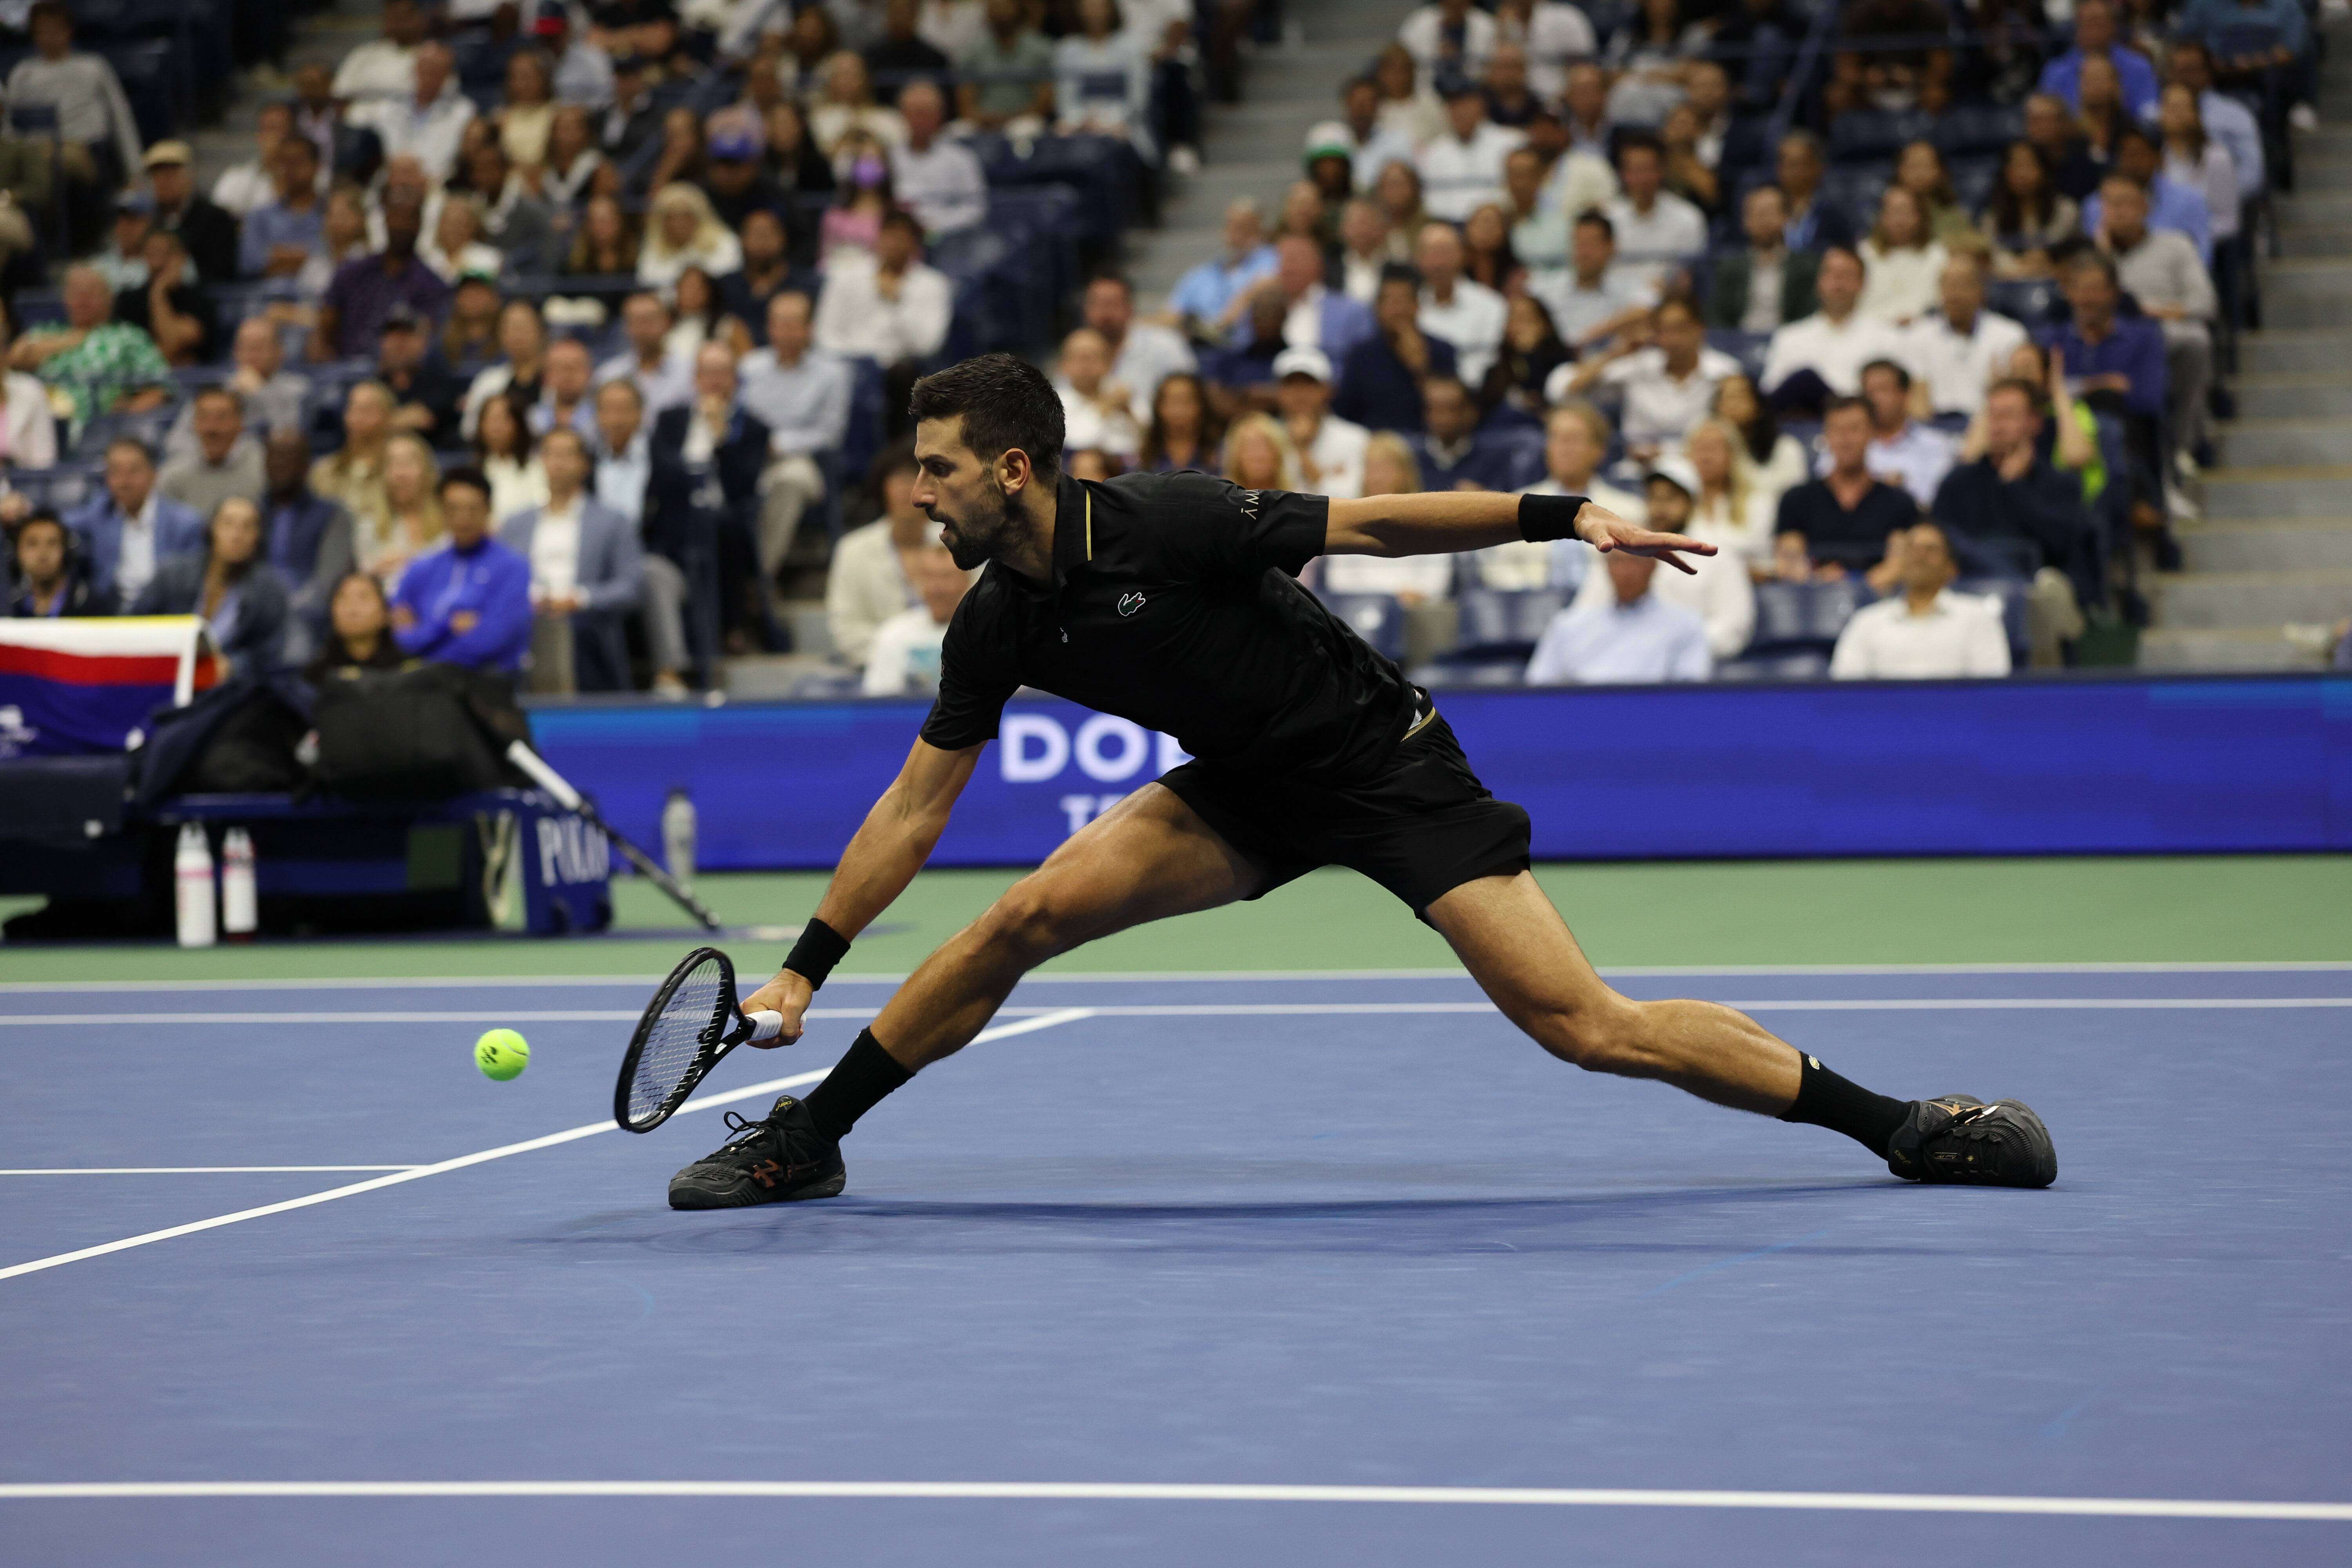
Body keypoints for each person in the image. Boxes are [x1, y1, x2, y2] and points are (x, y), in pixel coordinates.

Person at [666, 352, 2052, 1206]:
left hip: (1383, 766)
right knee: (1020, 918)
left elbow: (1378, 523)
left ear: (1012, 469)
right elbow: (916, 806)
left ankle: (1908, 1127)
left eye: (939, 471)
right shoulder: (999, 622)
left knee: (1582, 1024)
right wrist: (801, 968)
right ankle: (813, 1138)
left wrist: (1564, 516)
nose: (920, 495)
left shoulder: (1175, 518)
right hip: (1243, 789)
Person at [1931, 378, 2096, 662]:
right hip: (1967, 590)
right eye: (1992, 415)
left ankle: (2042, 693)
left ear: (2034, 423)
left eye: (2008, 415)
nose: (1997, 424)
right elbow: (1941, 539)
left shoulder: (2061, 484)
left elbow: (2061, 547)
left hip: (2035, 591)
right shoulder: (1957, 483)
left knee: (2047, 592)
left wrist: (2013, 488)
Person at [497, 426, 644, 695]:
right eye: (551, 454)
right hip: (526, 618)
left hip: (585, 622)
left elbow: (630, 586)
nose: (558, 462)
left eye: (567, 455)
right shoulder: (515, 524)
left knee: (567, 632)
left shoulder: (613, 521)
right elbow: (498, 581)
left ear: (585, 464)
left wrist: (580, 598)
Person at [1563, 457, 1754, 660]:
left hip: (1693, 674)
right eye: (1654, 497)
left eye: (1670, 498)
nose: (1660, 507)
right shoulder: (1621, 549)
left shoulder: (1719, 554)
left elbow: (1732, 630)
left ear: (1691, 503)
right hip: (1624, 667)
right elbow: (1583, 615)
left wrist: (1665, 648)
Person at [2094, 173, 2217, 468]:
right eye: (2112, 204)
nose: (2120, 212)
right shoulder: (2091, 252)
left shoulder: (2175, 245)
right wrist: (2101, 253)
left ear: (2146, 208)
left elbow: (2205, 303)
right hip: (2102, 335)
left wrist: (2151, 311)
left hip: (2161, 330)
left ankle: (2180, 446)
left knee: (2196, 340)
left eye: (2128, 203)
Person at [739, 293, 853, 596]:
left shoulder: (833, 373)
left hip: (806, 462)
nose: (787, 332)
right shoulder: (750, 368)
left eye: (794, 325)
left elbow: (831, 432)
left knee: (790, 481)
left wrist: (779, 445)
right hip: (753, 460)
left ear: (809, 329)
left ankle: (759, 577)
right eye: (780, 324)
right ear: (769, 328)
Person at [1550, 297, 1739, 457]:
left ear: (1699, 329)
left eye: (1680, 329)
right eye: (1664, 331)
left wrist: (1668, 452)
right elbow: (1562, 392)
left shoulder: (1724, 373)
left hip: (1697, 464)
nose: (1673, 339)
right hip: (1635, 468)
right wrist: (1614, 354)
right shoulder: (1639, 366)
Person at [387, 467, 532, 674]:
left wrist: (425, 640)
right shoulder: (421, 567)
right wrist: (447, 625)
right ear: (441, 511)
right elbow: (396, 636)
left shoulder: (513, 567)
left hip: (485, 682)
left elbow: (494, 638)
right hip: (421, 680)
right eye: (453, 509)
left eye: (473, 509)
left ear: (488, 510)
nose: (463, 519)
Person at [1830, 521, 2013, 678]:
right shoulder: (1866, 622)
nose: (1919, 556)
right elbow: (1845, 693)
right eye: (1911, 548)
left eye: (1931, 549)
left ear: (1951, 568)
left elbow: (1992, 691)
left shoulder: (1978, 618)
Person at [131, 498, 290, 677]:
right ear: (212, 529)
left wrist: (234, 667)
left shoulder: (269, 591)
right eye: (228, 524)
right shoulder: (174, 574)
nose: (237, 535)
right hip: (164, 672)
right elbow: (135, 622)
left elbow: (271, 652)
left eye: (248, 527)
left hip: (228, 689)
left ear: (258, 537)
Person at [10, 265, 171, 440]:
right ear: (65, 299)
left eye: (92, 293)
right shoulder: (46, 333)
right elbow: (13, 361)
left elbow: (162, 388)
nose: (83, 299)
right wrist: (69, 340)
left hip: (106, 430)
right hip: (45, 428)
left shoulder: (129, 337)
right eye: (76, 293)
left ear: (110, 298)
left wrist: (127, 413)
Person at [1775, 396, 1919, 584]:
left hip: (1882, 603)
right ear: (1826, 435)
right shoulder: (1797, 499)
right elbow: (1789, 562)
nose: (1846, 439)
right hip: (1815, 600)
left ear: (1872, 433)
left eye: (1854, 429)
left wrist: (1859, 586)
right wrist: (1817, 579)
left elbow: (1900, 563)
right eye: (1837, 430)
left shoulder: (1899, 502)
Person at [1758, 247, 1915, 412]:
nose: (1838, 283)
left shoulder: (1888, 337)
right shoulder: (1789, 337)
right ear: (1819, 281)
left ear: (1863, 284)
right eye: (1831, 274)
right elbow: (1771, 394)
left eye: (1847, 275)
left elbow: (1903, 398)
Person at [828, 444, 944, 667]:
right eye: (898, 480)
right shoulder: (852, 551)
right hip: (876, 673)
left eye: (914, 479)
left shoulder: (957, 544)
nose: (906, 490)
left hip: (953, 671)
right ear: (882, 488)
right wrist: (903, 658)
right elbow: (846, 630)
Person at [1526, 547, 1713, 684]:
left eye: (1636, 561)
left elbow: (1691, 697)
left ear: (1653, 566)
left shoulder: (1687, 625)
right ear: (1606, 567)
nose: (1626, 571)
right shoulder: (1568, 625)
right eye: (1618, 561)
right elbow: (1539, 687)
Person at [67, 439, 207, 607]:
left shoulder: (184, 523)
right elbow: (59, 524)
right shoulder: (101, 512)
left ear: (154, 474)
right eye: (115, 472)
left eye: (133, 471)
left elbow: (191, 587)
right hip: (111, 613)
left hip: (163, 614)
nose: (124, 482)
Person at [1318, 434, 1452, 604]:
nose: (1377, 476)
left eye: (1385, 468)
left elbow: (1437, 584)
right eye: (1371, 468)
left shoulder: (1430, 521)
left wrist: (1405, 599)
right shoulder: (1349, 520)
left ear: (1406, 474)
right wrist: (1381, 602)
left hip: (1416, 613)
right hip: (1361, 612)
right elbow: (1339, 582)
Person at [811, 211, 954, 371]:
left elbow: (927, 346)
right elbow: (825, 334)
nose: (894, 244)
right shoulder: (847, 275)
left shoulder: (934, 284)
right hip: (848, 364)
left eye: (901, 237)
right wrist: (860, 360)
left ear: (914, 243)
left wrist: (895, 303)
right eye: (889, 235)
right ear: (879, 237)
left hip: (901, 370)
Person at [313, 194, 450, 361]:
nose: (401, 226)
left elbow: (432, 338)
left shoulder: (432, 284)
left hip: (400, 372)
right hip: (346, 365)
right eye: (396, 219)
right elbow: (325, 325)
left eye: (408, 220)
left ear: (419, 226)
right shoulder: (353, 272)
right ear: (386, 221)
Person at [1903, 254, 2030, 421]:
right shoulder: (1919, 334)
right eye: (1948, 286)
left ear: (1981, 290)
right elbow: (1916, 400)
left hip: (1989, 423)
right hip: (1935, 424)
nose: (1954, 294)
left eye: (1963, 285)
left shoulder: (2009, 335)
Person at [1816, 358, 1955, 508]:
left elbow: (1941, 500)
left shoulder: (1935, 444)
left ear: (1905, 395)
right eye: (1869, 392)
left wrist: (1891, 494)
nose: (1875, 399)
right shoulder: (1845, 442)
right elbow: (1825, 494)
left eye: (1883, 390)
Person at [1334, 267, 1457, 435]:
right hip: (1376, 446)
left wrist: (1421, 368)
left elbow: (1451, 411)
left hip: (1428, 445)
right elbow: (1345, 413)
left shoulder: (1442, 351)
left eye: (1404, 301)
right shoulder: (1360, 356)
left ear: (1417, 307)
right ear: (1378, 309)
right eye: (1390, 302)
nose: (1398, 310)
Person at [260, 427, 354, 644]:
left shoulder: (334, 515)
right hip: (256, 615)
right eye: (274, 458)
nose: (280, 465)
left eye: (290, 458)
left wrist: (280, 614)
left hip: (308, 620)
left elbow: (327, 585)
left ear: (307, 465)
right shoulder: (252, 513)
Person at [1525, 211, 1654, 353]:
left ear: (1611, 247)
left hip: (1610, 364)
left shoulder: (1629, 285)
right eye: (1579, 244)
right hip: (1555, 362)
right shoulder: (1546, 288)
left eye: (1591, 244)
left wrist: (1588, 337)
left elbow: (1647, 310)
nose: (1584, 253)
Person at [1083, 274, 1196, 427]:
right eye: (1099, 304)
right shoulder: (1077, 350)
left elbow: (1191, 397)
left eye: (1113, 304)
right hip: (1093, 441)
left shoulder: (1167, 345)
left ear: (1130, 308)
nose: (1106, 314)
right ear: (1086, 310)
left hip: (1155, 439)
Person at [1602, 134, 1707, 296]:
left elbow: (1690, 277)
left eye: (1647, 169)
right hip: (1616, 303)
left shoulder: (1689, 218)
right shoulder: (1607, 218)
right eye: (1635, 171)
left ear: (1661, 171)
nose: (1642, 179)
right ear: (1623, 174)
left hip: (1666, 304)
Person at [1705, 185, 1819, 334]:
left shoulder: (1806, 267)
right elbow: (1717, 316)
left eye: (1770, 213)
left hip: (1789, 342)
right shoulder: (1729, 268)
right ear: (1745, 222)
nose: (1764, 221)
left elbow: (1809, 317)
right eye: (1757, 214)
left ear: (1786, 217)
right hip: (1738, 343)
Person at [861, 542, 971, 695]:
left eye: (947, 577)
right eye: (930, 577)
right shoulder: (893, 635)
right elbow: (880, 702)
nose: (937, 588)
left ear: (965, 581)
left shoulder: (989, 633)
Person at [1169, 200, 1281, 345]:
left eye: (1245, 226)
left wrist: (1219, 325)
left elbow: (1261, 289)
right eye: (1232, 226)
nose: (1237, 232)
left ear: (1260, 230)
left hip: (1247, 347)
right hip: (1198, 345)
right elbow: (1172, 313)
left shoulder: (1271, 259)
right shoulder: (1203, 273)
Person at [1414, 222, 1507, 386]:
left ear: (1461, 255)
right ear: (1418, 259)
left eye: (1445, 252)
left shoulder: (1491, 305)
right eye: (1430, 253)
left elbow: (1491, 359)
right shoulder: (1408, 307)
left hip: (1476, 394)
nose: (1438, 263)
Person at [1417, 83, 1525, 224]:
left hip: (1499, 226)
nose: (1461, 111)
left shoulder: (1512, 143)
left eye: (1467, 104)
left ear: (1481, 106)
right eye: (1454, 105)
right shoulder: (1433, 152)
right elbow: (1428, 203)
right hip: (1447, 228)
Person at [891, 80, 987, 238]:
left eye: (927, 112)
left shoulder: (962, 159)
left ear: (940, 115)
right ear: (903, 115)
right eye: (915, 112)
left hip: (950, 238)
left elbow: (976, 208)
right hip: (899, 238)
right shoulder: (888, 158)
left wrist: (934, 226)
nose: (920, 119)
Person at [1682, 417, 1776, 576]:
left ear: (1732, 455)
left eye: (1713, 449)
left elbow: (1761, 558)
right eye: (1700, 449)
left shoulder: (1758, 502)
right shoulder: (1676, 504)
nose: (1706, 457)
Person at [2036, 0, 2160, 121]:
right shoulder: (2056, 72)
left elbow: (2149, 116)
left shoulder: (2139, 66)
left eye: (2099, 23)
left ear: (2113, 26)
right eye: (2088, 23)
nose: (2094, 31)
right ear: (2077, 27)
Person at [1274, 348, 1371, 501]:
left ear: (1327, 390)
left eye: (1309, 385)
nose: (1300, 394)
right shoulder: (1263, 437)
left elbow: (1357, 498)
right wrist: (1329, 477)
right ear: (1278, 392)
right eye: (1291, 385)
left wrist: (1302, 451)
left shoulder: (1356, 439)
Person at [159, 390, 268, 521]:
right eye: (204, 418)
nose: (212, 428)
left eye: (222, 417)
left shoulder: (264, 468)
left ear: (240, 423)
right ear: (194, 424)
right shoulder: (173, 473)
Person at [145, 141, 241, 287]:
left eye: (170, 174)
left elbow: (221, 272)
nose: (162, 182)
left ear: (190, 175)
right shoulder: (150, 222)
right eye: (157, 176)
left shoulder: (216, 219)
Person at [956, 0, 1057, 137]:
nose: (1000, 12)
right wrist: (986, 119)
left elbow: (1045, 101)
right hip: (983, 120)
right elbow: (966, 101)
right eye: (995, 7)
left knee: (1026, 130)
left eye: (1005, 6)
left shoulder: (1040, 49)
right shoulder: (973, 51)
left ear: (1018, 9)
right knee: (958, 133)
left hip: (1025, 120)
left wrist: (1010, 119)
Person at [1855, 187, 1949, 327]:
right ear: (1881, 216)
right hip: (1872, 332)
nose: (1900, 220)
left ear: (1920, 217)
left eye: (1906, 212)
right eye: (1893, 212)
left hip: (1924, 332)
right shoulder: (1863, 254)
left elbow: (1941, 303)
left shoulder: (1938, 255)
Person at [1415, 374, 1524, 491]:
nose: (1442, 419)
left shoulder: (1497, 459)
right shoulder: (1411, 458)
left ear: (1472, 412)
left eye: (1451, 409)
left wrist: (1484, 498)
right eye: (1434, 409)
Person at [305, 572, 413, 681]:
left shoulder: (409, 669)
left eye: (363, 597)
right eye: (343, 598)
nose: (353, 608)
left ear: (385, 612)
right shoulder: (319, 674)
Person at [639, 183, 745, 292]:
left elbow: (730, 282)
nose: (678, 223)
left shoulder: (725, 242)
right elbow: (648, 284)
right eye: (670, 217)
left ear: (699, 215)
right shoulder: (654, 247)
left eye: (686, 215)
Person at [7, 514, 116, 618]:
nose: (43, 554)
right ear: (17, 553)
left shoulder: (91, 604)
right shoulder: (9, 604)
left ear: (66, 551)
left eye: (52, 543)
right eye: (32, 544)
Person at [1774, 130, 1854, 253]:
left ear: (1817, 167)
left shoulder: (1834, 214)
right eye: (1788, 164)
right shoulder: (1770, 210)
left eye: (1800, 163)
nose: (1794, 171)